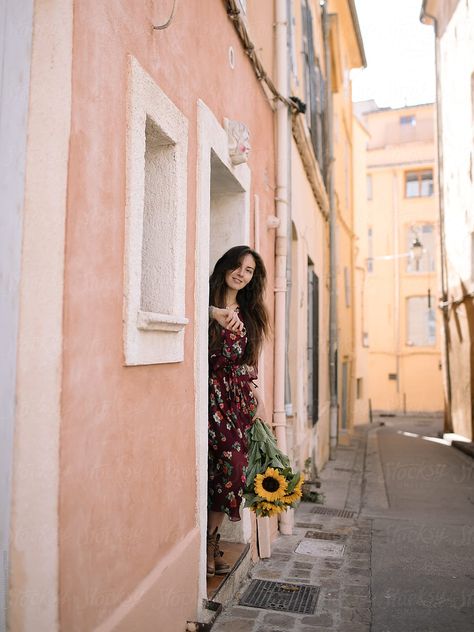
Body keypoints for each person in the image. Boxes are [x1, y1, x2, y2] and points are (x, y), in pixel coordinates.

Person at [207, 245, 270, 577]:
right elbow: (189, 310)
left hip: (237, 400)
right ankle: (206, 543)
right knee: (219, 467)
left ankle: (209, 541)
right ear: (227, 265)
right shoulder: (206, 298)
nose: (242, 274)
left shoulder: (250, 314)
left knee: (231, 471)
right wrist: (213, 312)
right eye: (239, 266)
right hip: (209, 395)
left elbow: (247, 364)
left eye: (249, 271)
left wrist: (258, 397)